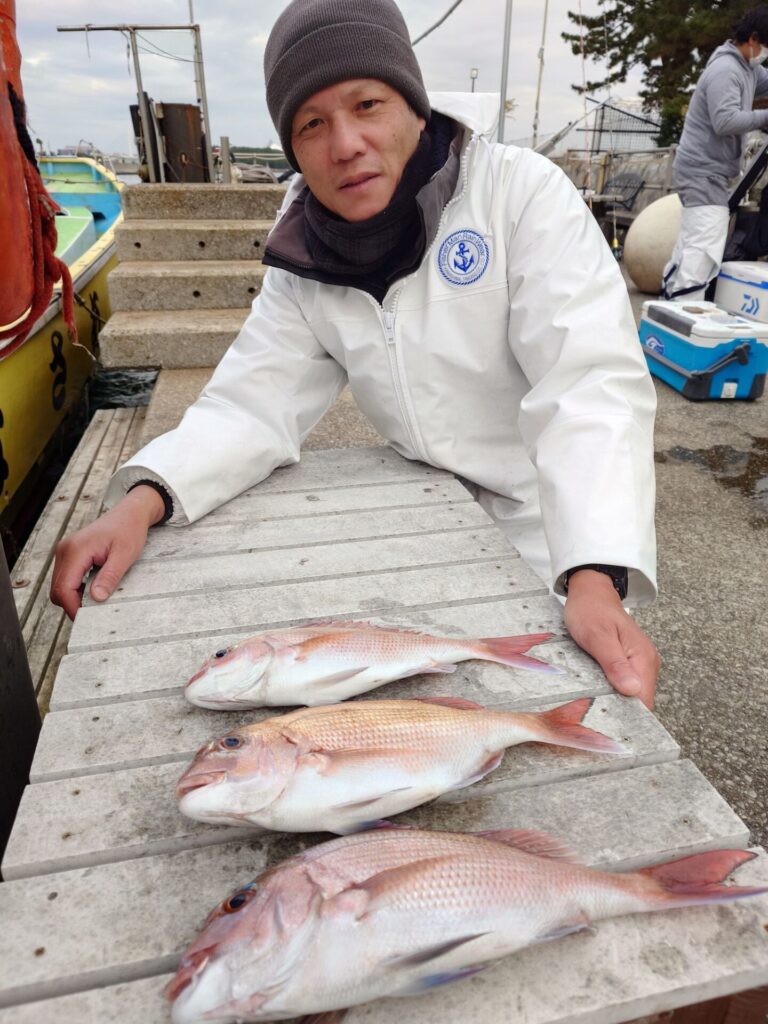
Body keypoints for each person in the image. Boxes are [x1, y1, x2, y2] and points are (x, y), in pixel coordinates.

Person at [51, 0, 660, 706]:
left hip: (550, 530)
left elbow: (588, 386)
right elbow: (254, 401)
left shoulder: (519, 193)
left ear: (415, 106)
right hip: (425, 519)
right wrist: (143, 498)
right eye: (311, 124)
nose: (344, 144)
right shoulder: (302, 245)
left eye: (367, 104)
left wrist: (595, 572)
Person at [662, 6, 768, 300]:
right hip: (702, 173)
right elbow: (725, 121)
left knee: (691, 247)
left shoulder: (748, 68)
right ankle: (685, 311)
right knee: (703, 252)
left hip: (705, 172)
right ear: (753, 39)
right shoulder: (726, 70)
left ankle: (667, 309)